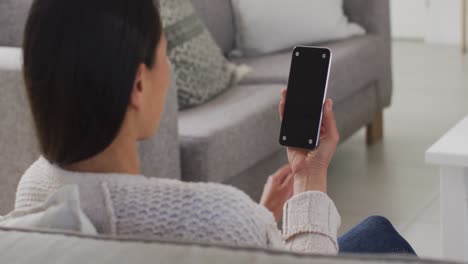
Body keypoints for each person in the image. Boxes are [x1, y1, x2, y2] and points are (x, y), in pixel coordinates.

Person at [14, 0, 415, 256]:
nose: (168, 70)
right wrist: (310, 177)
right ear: (139, 85)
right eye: (163, 54)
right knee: (380, 236)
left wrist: (257, 218)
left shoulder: (34, 192)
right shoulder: (222, 216)